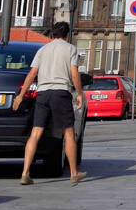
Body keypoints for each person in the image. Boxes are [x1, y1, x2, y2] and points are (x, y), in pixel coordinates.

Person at [12, 20, 87, 186]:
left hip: (42, 94)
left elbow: (32, 74)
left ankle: (25, 173)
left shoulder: (42, 50)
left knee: (36, 132)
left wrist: (21, 95)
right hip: (61, 93)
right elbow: (74, 73)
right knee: (68, 132)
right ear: (67, 35)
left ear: (52, 34)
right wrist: (79, 94)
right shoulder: (70, 49)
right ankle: (74, 173)